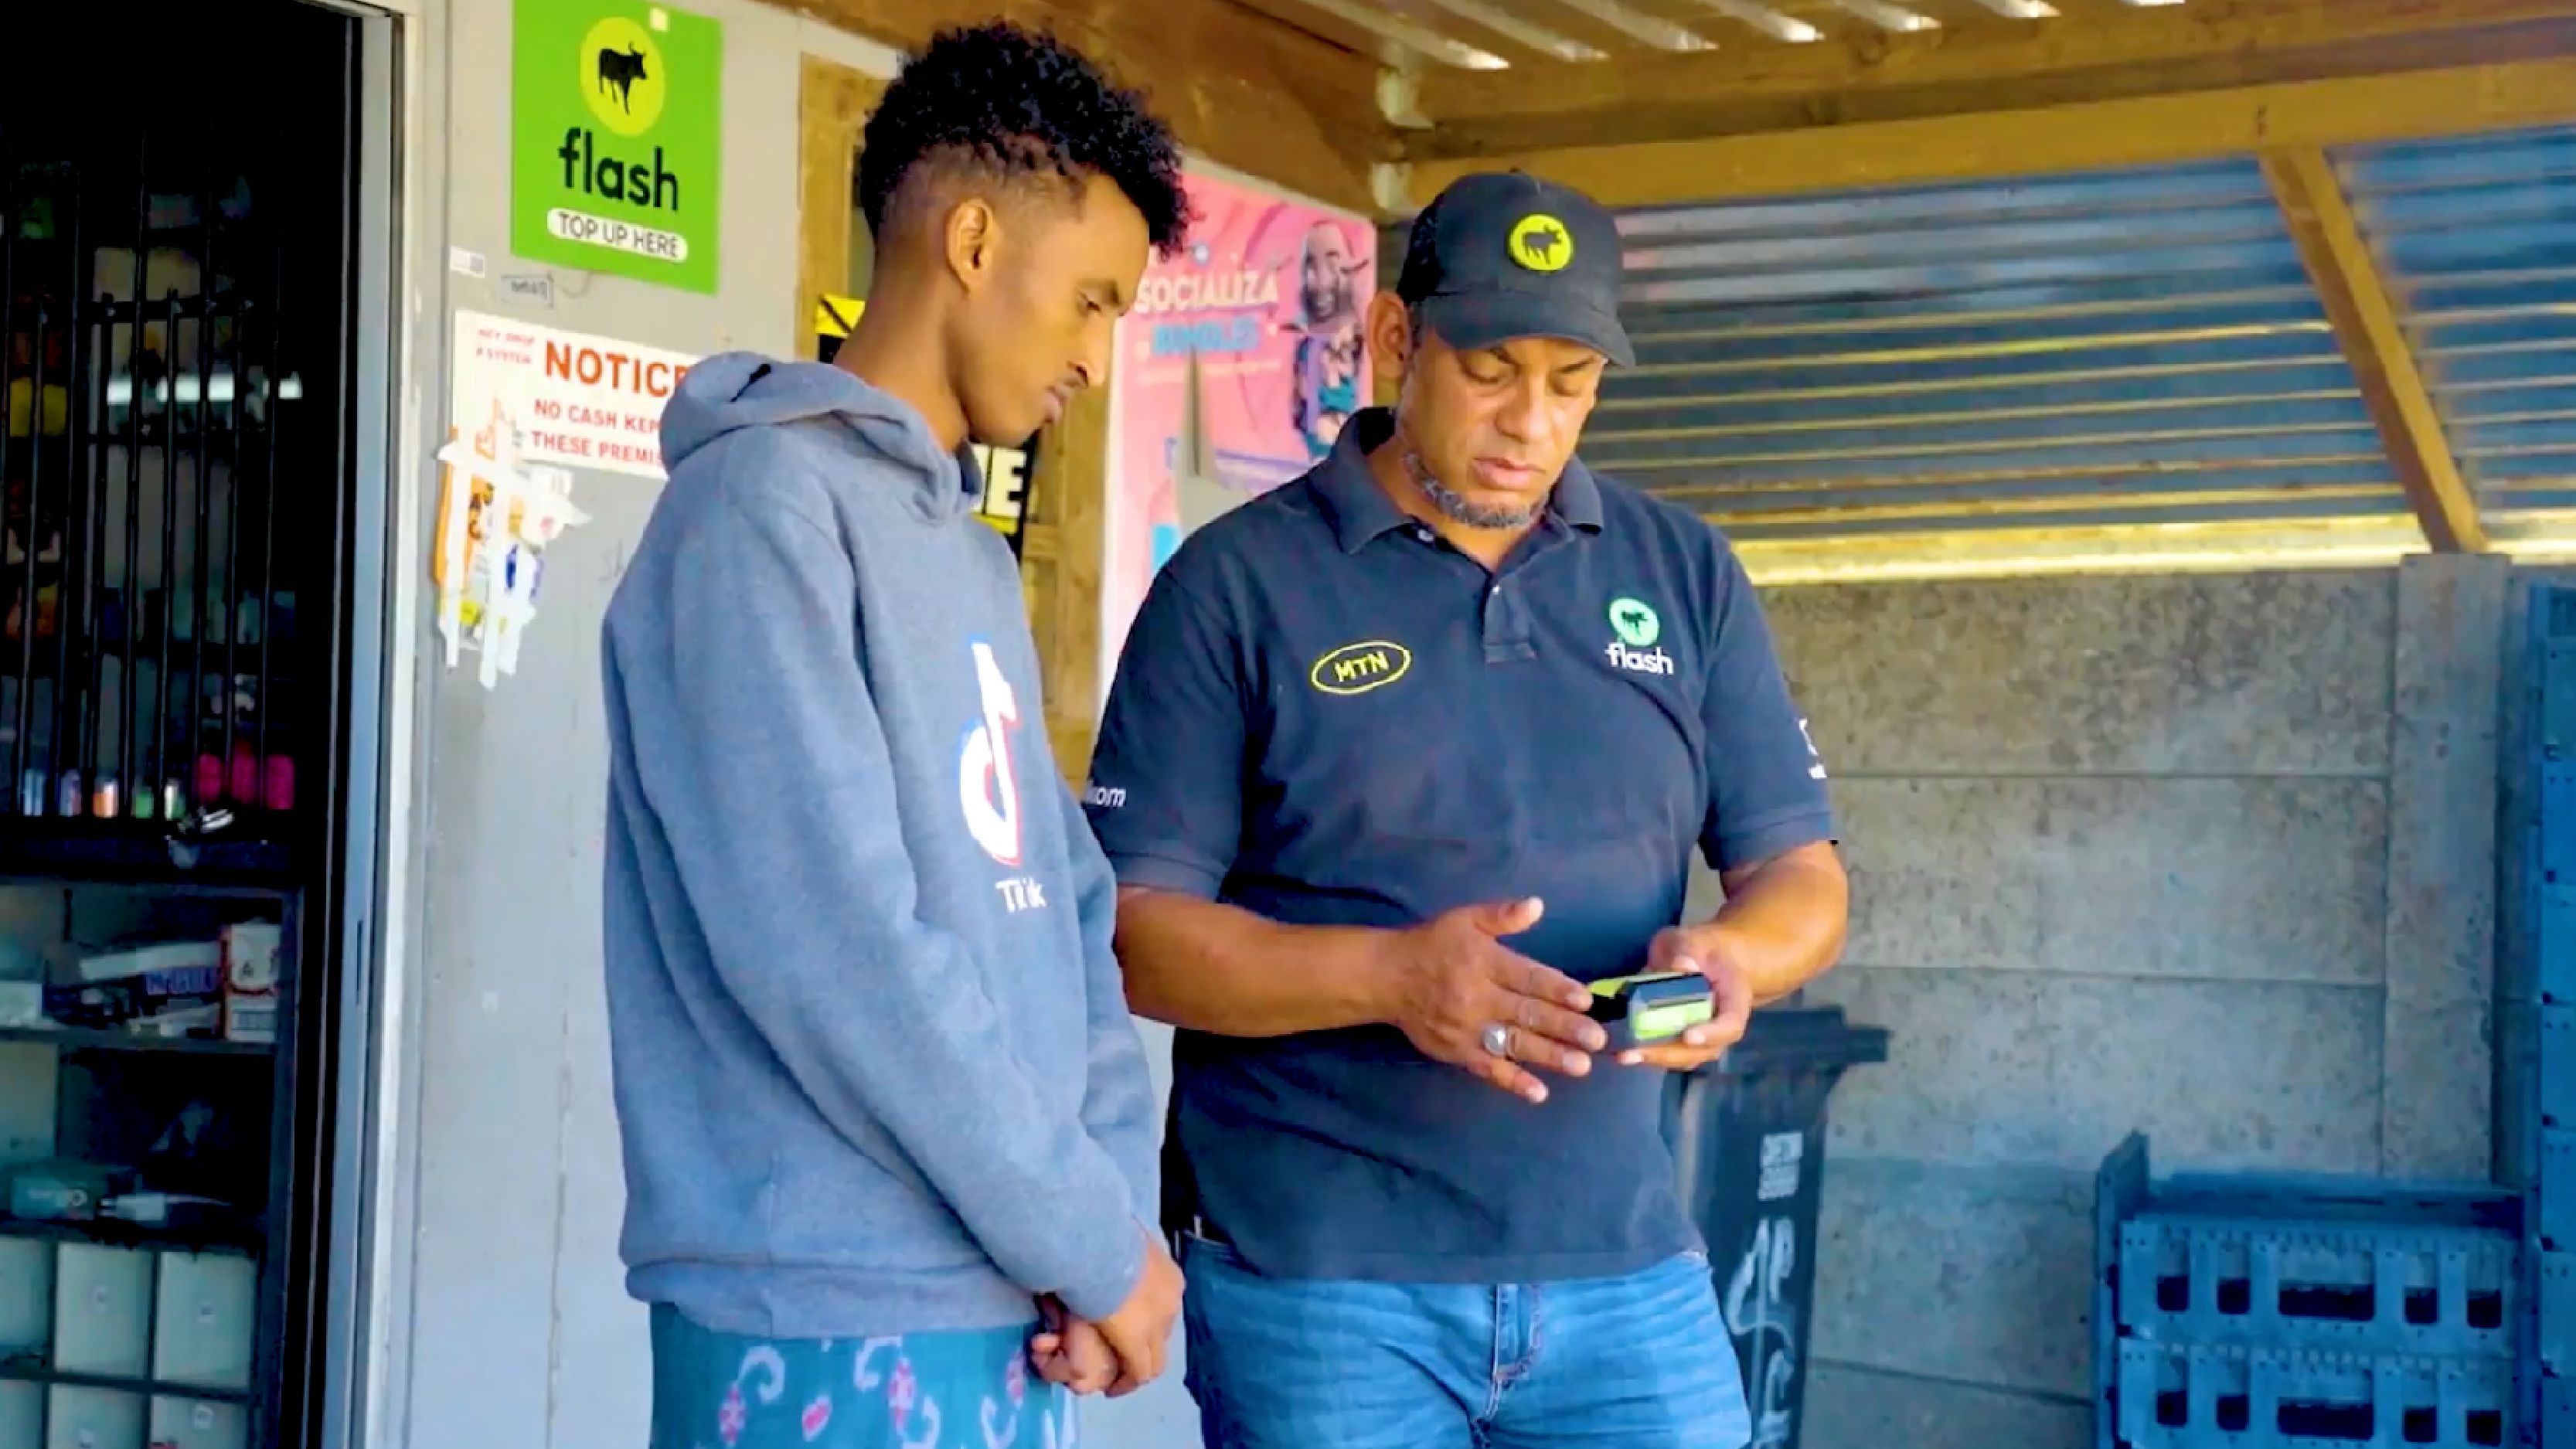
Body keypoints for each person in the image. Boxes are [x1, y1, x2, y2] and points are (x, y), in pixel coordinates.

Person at [1083, 170, 1851, 1449]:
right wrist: (1393, 979)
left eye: (1571, 382)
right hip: (1320, 1280)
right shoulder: (1237, 585)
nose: (1531, 424)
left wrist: (1736, 960)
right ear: (1395, 341)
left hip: (1624, 1266)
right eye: (1491, 369)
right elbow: (1129, 933)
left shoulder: (1683, 573)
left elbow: (1803, 878)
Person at [599, 23, 1192, 1447]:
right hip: (813, 1304)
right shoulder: (756, 514)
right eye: (1092, 301)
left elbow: (1069, 910)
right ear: (975, 241)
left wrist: (1103, 1223)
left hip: (1009, 1295)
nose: (1095, 362)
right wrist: (1092, 1242)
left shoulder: (969, 554)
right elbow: (832, 946)